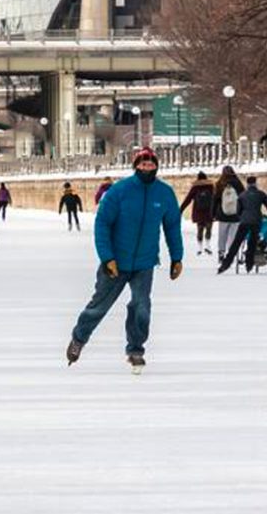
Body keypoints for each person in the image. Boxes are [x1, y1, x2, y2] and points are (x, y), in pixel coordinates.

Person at [66, 147, 183, 372]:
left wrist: (177, 257)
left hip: (144, 263)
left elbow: (172, 226)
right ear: (135, 166)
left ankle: (136, 350)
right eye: (142, 164)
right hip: (116, 262)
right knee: (98, 307)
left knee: (141, 306)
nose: (147, 167)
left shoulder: (164, 193)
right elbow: (102, 224)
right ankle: (79, 339)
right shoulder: (120, 191)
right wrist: (107, 257)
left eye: (150, 164)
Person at [218, 176, 267, 274]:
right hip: (256, 221)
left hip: (244, 222)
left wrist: (242, 218)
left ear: (247, 184)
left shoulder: (242, 195)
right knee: (252, 243)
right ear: (255, 183)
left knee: (236, 244)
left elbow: (238, 211)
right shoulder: (261, 194)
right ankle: (249, 265)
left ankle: (225, 265)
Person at [179, 172, 215, 255]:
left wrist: (181, 209)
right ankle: (208, 246)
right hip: (209, 212)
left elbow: (188, 199)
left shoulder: (195, 187)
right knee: (209, 229)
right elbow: (216, 198)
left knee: (200, 229)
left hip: (198, 212)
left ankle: (199, 248)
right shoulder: (211, 186)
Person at [213, 165, 245, 258]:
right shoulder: (238, 183)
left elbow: (215, 200)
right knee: (232, 235)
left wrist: (213, 213)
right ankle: (230, 253)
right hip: (236, 215)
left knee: (222, 235)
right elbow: (243, 198)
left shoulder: (219, 183)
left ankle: (221, 252)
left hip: (222, 214)